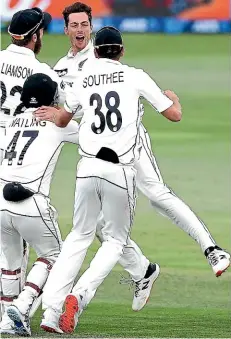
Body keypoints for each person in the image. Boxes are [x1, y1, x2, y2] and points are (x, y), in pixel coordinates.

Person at [37, 1, 230, 290]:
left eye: (85, 24)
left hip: (129, 139)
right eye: (75, 25)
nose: (80, 30)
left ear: (92, 28)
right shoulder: (61, 69)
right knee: (96, 223)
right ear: (65, 29)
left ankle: (211, 249)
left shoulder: (102, 52)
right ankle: (141, 271)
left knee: (156, 193)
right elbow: (61, 110)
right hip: (90, 141)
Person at [38, 26, 182, 334]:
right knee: (115, 240)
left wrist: (53, 113)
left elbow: (63, 119)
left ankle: (50, 312)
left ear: (96, 50)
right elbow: (173, 115)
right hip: (119, 170)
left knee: (78, 236)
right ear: (121, 50)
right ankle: (80, 294)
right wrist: (174, 99)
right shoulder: (135, 75)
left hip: (86, 168)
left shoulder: (83, 78)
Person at [0, 7, 66, 335]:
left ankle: (7, 313)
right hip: (23, 164)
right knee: (26, 241)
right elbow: (64, 115)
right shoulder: (44, 73)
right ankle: (17, 310)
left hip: (5, 157)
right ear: (36, 35)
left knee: (6, 242)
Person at [0, 73, 79, 336]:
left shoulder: (11, 121)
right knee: (56, 256)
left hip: (1, 199)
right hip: (30, 201)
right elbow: (93, 138)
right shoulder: (59, 124)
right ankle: (22, 306)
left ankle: (6, 320)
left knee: (10, 263)